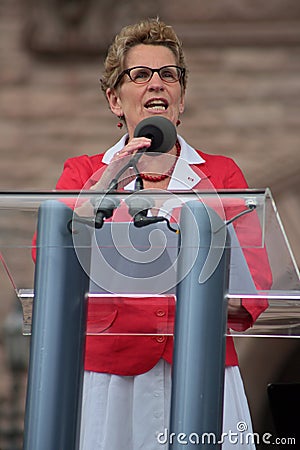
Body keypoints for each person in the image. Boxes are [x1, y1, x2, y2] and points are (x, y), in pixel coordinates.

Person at [36, 18, 272, 449]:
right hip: (111, 377)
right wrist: (110, 178)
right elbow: (49, 257)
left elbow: (254, 283)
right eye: (140, 75)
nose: (156, 83)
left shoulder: (219, 174)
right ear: (114, 99)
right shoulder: (84, 172)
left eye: (169, 75)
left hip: (201, 367)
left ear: (181, 100)